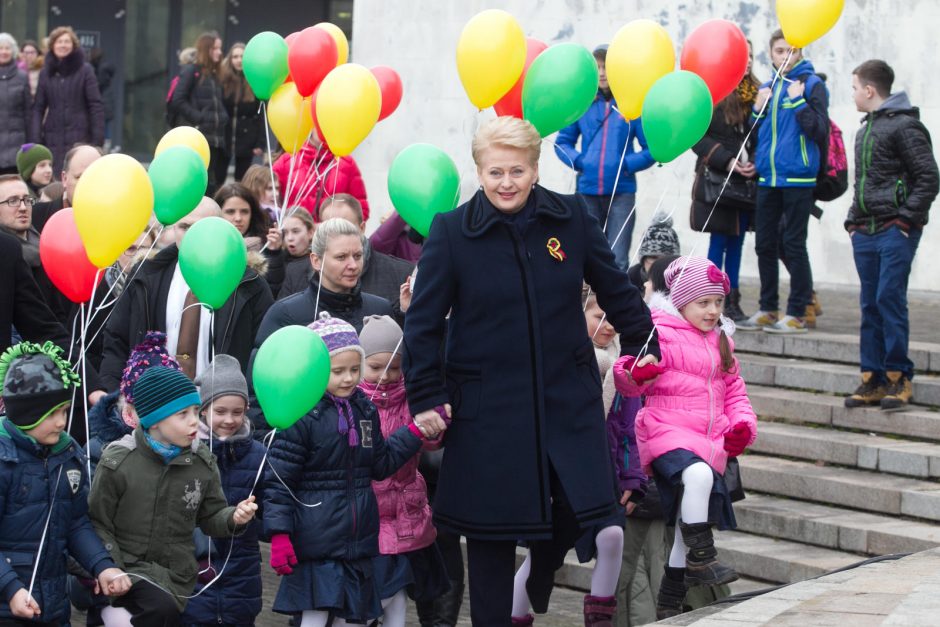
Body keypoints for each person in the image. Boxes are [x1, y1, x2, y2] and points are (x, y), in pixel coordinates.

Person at [403, 116, 659, 625]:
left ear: (536, 169)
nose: (506, 183)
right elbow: (424, 324)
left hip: (568, 398)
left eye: (516, 171)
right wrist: (427, 396)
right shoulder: (452, 233)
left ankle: (541, 574)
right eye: (495, 172)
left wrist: (642, 341)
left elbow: (614, 287)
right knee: (491, 540)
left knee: (590, 506)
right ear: (479, 172)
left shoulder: (571, 218)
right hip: (488, 411)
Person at [613, 256, 757, 620]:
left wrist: (742, 425)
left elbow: (734, 390)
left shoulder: (721, 340)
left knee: (683, 523)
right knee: (698, 477)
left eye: (718, 302)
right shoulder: (658, 330)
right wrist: (638, 371)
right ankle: (702, 558)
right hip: (665, 429)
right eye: (702, 303)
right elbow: (627, 377)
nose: (712, 311)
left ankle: (670, 599)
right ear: (680, 301)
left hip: (707, 438)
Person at [263, 314, 430, 626]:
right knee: (315, 613)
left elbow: (380, 463)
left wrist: (414, 433)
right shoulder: (301, 415)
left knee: (352, 615)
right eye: (337, 371)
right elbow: (280, 482)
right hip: (316, 540)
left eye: (355, 369)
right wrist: (279, 534)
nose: (348, 378)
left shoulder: (363, 409)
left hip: (356, 541)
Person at [510, 290, 644, 625]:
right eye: (600, 317)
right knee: (541, 560)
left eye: (614, 319)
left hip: (603, 473)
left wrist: (631, 478)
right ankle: (515, 616)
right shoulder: (555, 357)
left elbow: (629, 428)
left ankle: (599, 619)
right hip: (559, 475)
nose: (609, 326)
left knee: (612, 535)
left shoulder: (621, 367)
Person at [88, 365, 258, 624]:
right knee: (157, 608)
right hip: (126, 570)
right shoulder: (118, 461)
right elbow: (98, 521)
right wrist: (110, 568)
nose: (194, 421)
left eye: (195, 412)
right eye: (183, 414)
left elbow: (211, 515)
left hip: (176, 577)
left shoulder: (202, 462)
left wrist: (234, 517)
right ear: (155, 420)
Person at [0, 341, 131, 622]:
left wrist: (102, 566)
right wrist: (11, 588)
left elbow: (75, 522)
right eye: (52, 414)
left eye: (65, 411)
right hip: (8, 604)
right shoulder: (4, 460)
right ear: (27, 413)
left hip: (53, 602)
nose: (62, 423)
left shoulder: (68, 453)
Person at [843, 60, 939, 411]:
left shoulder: (905, 127)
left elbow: (929, 177)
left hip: (894, 231)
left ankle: (899, 377)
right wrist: (852, 223)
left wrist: (905, 221)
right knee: (870, 304)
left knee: (889, 299)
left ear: (869, 90)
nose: (852, 94)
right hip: (865, 230)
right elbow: (863, 183)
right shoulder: (863, 130)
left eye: (854, 88)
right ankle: (872, 378)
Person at [100, 197, 274, 389]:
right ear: (174, 229)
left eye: (200, 228)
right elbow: (116, 340)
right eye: (184, 227)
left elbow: (265, 353)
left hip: (222, 410)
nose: (192, 236)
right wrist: (115, 399)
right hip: (154, 406)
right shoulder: (147, 275)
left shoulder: (249, 285)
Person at [358, 315, 450, 624]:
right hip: (370, 511)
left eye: (393, 368)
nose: (385, 376)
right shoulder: (355, 402)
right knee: (380, 590)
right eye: (375, 367)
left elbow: (431, 444)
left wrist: (435, 427)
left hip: (408, 506)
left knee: (411, 588)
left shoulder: (411, 397)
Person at [738, 29, 829, 334]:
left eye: (792, 50)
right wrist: (755, 109)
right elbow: (755, 133)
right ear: (771, 53)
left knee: (793, 243)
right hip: (768, 178)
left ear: (800, 52)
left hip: (798, 178)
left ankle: (798, 311)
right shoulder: (766, 87)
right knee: (764, 243)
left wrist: (797, 102)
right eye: (780, 51)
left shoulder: (812, 85)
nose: (786, 56)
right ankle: (767, 307)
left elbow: (819, 131)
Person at [181, 354, 266, 626]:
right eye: (220, 411)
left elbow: (272, 500)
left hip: (242, 566)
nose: (229, 420)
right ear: (203, 409)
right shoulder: (186, 452)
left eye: (238, 412)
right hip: (194, 565)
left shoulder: (258, 454)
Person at [555, 44, 655, 269]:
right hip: (587, 191)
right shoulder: (582, 103)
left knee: (618, 257)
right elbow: (562, 143)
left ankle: (616, 305)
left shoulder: (632, 107)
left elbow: (652, 149)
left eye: (606, 67)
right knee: (585, 253)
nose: (601, 73)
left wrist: (626, 165)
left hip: (622, 192)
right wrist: (581, 162)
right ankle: (586, 303)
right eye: (597, 67)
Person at [690, 41, 760, 322]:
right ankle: (711, 300)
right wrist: (727, 160)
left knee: (738, 243)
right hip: (719, 183)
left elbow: (763, 135)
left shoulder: (759, 92)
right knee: (718, 243)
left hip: (745, 184)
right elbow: (697, 137)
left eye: (753, 57)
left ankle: (731, 302)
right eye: (744, 57)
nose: (749, 62)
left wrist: (756, 160)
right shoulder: (714, 93)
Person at [255, 217, 391, 351]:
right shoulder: (285, 315)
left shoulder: (380, 310)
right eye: (341, 257)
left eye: (357, 256)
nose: (353, 265)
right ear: (316, 261)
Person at [278, 194, 413, 323]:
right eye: (329, 227)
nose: (339, 233)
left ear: (362, 228)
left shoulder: (399, 273)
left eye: (346, 226)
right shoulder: (296, 274)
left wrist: (404, 313)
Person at [31, 26, 104, 173]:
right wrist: (35, 139)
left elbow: (95, 105)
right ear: (52, 45)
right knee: (55, 179)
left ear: (73, 45)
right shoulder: (46, 73)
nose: (63, 45)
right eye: (59, 42)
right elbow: (38, 107)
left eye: (66, 41)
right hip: (52, 137)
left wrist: (97, 140)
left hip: (80, 135)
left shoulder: (85, 70)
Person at [0, 174, 70, 324]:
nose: (23, 208)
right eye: (13, 201)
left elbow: (58, 310)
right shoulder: (5, 257)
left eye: (27, 200)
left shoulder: (46, 247)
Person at [170, 32, 229, 194]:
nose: (219, 52)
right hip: (200, 137)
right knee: (201, 182)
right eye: (215, 48)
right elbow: (178, 100)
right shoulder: (192, 71)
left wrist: (223, 117)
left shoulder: (216, 75)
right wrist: (199, 118)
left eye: (219, 48)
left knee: (212, 182)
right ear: (206, 50)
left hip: (216, 138)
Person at [272, 136, 370, 219]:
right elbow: (266, 202)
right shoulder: (286, 161)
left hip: (332, 237)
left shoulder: (347, 163)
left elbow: (361, 211)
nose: (323, 128)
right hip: (295, 238)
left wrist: (335, 225)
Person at [214, 182, 285, 295]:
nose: (238, 218)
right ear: (218, 213)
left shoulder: (267, 244)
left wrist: (274, 253)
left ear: (253, 214)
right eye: (230, 211)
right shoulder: (208, 245)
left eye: (244, 211)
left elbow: (273, 291)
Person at [31, 143, 102, 233]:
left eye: (96, 177)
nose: (88, 184)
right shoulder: (36, 216)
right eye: (79, 177)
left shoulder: (117, 218)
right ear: (64, 179)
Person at [220, 42, 264, 181]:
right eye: (235, 56)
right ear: (230, 60)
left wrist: (260, 142)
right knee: (218, 176)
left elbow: (260, 113)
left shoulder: (254, 81)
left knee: (242, 179)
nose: (239, 60)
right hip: (224, 136)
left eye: (242, 56)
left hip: (247, 138)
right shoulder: (223, 81)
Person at [626, 212, 681, 294]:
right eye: (653, 257)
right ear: (643, 259)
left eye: (664, 259)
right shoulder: (630, 279)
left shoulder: (681, 284)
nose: (658, 264)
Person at [0, 34, 31, 176]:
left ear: (13, 51)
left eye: (7, 48)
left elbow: (28, 112)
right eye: (0, 48)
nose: (4, 52)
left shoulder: (22, 76)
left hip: (16, 146)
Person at [281, 207, 317, 274]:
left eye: (295, 231)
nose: (289, 238)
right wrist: (272, 253)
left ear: (310, 232)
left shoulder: (318, 263)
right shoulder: (279, 258)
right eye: (285, 232)